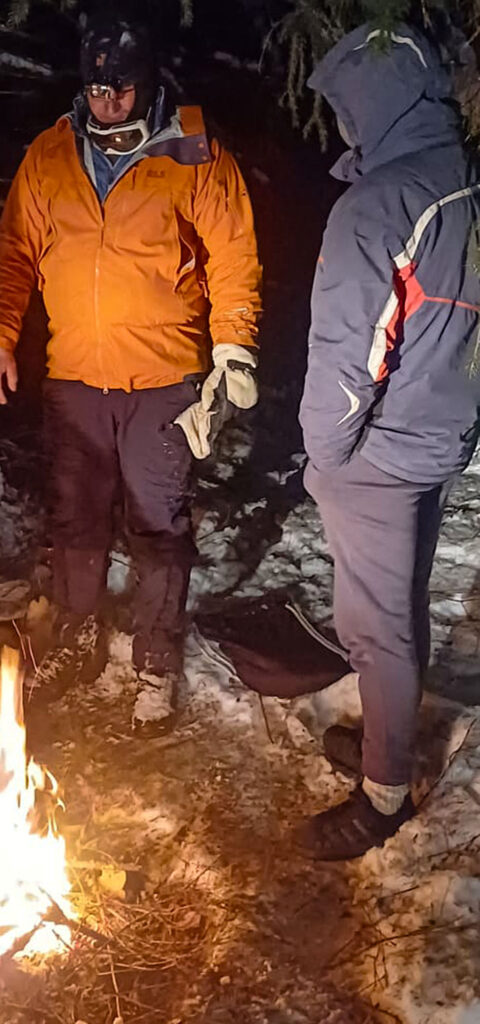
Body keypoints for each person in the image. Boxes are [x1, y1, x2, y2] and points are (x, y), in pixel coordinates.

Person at [0, 15, 261, 733]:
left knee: (158, 524)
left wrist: (233, 347)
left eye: (122, 88)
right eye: (97, 88)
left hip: (164, 377)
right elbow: (14, 252)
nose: (108, 102)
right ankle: (76, 637)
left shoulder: (192, 149)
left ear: (148, 81)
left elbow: (233, 253)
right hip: (75, 376)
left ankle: (155, 664)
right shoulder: (51, 153)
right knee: (75, 519)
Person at [298, 24, 480, 859]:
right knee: (399, 611)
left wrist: (327, 455)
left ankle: (382, 797)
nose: (344, 126)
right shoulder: (463, 186)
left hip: (379, 451)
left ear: (375, 104)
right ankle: (388, 744)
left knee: (378, 628)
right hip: (439, 437)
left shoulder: (382, 204)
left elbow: (348, 351)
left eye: (347, 108)